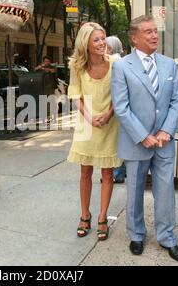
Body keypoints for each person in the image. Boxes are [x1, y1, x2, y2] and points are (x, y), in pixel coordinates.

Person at [111, 15, 178, 262]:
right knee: (134, 192)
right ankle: (136, 235)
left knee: (165, 192)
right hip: (136, 143)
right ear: (134, 38)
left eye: (155, 31)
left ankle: (168, 238)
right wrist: (143, 136)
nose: (154, 36)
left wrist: (166, 130)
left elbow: (176, 100)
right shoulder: (122, 66)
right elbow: (121, 107)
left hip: (164, 143)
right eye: (148, 32)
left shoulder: (168, 65)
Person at [67, 22, 123, 241]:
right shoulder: (76, 66)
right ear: (86, 44)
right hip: (86, 124)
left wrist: (108, 114)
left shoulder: (116, 64)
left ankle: (102, 217)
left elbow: (121, 95)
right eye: (97, 40)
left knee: (108, 173)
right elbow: (76, 95)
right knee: (85, 172)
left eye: (103, 38)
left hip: (110, 124)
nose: (102, 43)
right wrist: (89, 118)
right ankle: (84, 214)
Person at [106, 35, 126, 184]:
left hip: (115, 109)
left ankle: (117, 173)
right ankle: (119, 172)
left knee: (117, 142)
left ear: (110, 48)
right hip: (119, 108)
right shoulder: (121, 61)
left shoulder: (115, 63)